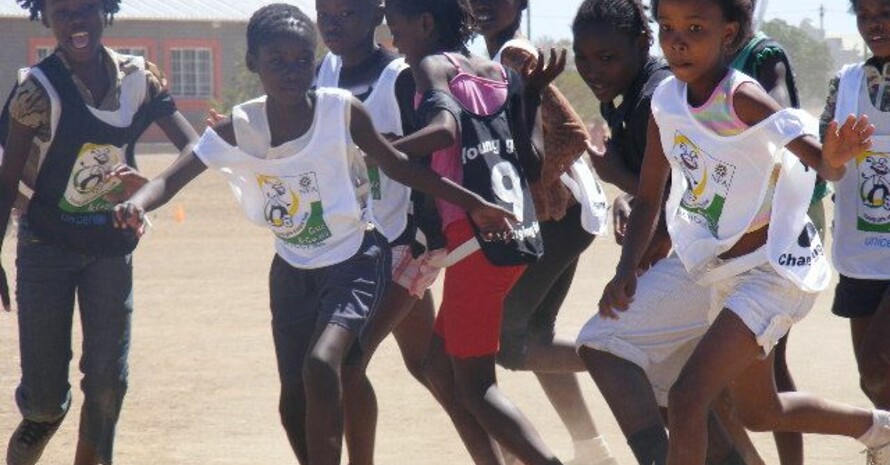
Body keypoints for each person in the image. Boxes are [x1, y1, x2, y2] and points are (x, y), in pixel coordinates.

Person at [112, 5, 514, 465]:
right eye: (326, 11)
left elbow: (416, 153)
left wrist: (466, 202)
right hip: (305, 263)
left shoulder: (379, 88)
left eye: (302, 58)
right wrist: (138, 200)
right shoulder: (273, 107)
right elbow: (177, 175)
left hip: (382, 248)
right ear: (256, 63)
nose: (333, 23)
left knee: (335, 366)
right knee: (389, 377)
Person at [600, 0, 890, 464]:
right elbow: (651, 197)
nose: (677, 40)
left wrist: (835, 155)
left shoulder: (741, 97)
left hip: (772, 272)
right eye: (668, 27)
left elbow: (820, 163)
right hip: (722, 271)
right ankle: (879, 429)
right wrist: (625, 267)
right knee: (760, 410)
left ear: (728, 34)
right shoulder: (666, 102)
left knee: (687, 396)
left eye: (695, 28)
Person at [0, 0, 199, 463]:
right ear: (45, 17)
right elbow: (7, 181)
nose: (76, 21)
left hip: (110, 247)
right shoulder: (35, 92)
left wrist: (150, 190)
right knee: (46, 398)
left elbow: (196, 146)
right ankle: (42, 419)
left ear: (104, 10)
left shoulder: (139, 80)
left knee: (108, 381)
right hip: (45, 246)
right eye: (63, 12)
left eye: (86, 8)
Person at [572, 2, 760, 464]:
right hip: (710, 260)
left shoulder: (659, 96)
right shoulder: (634, 96)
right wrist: (628, 195)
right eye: (584, 57)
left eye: (607, 57)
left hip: (724, 260)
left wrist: (618, 176)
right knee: (689, 398)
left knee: (609, 346)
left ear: (640, 45)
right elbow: (656, 186)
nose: (593, 69)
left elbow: (690, 186)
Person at [383, 0, 567, 464]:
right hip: (515, 236)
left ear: (425, 23)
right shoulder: (498, 71)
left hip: (476, 242)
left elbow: (443, 131)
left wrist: (380, 152)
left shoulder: (430, 67)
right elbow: (533, 163)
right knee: (438, 368)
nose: (391, 33)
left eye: (396, 22)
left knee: (476, 385)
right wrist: (528, 94)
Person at [470, 1, 618, 464]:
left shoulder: (514, 55)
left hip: (560, 219)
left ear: (520, 6)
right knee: (536, 334)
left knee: (507, 343)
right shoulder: (492, 60)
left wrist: (521, 191)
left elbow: (572, 135)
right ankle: (590, 447)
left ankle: (634, 361)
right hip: (563, 219)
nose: (485, 6)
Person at [311, 0, 443, 463]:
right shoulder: (322, 72)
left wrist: (428, 237)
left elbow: (436, 157)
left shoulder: (400, 76)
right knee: (431, 367)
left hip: (403, 244)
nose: (333, 23)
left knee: (348, 364)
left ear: (377, 15)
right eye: (324, 12)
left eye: (347, 13)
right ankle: (506, 447)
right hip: (351, 248)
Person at [821, 0, 890, 412]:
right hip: (862, 253)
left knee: (877, 360)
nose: (873, 24)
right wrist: (832, 156)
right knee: (872, 382)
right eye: (863, 16)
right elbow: (827, 169)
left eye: (884, 12)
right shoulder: (844, 83)